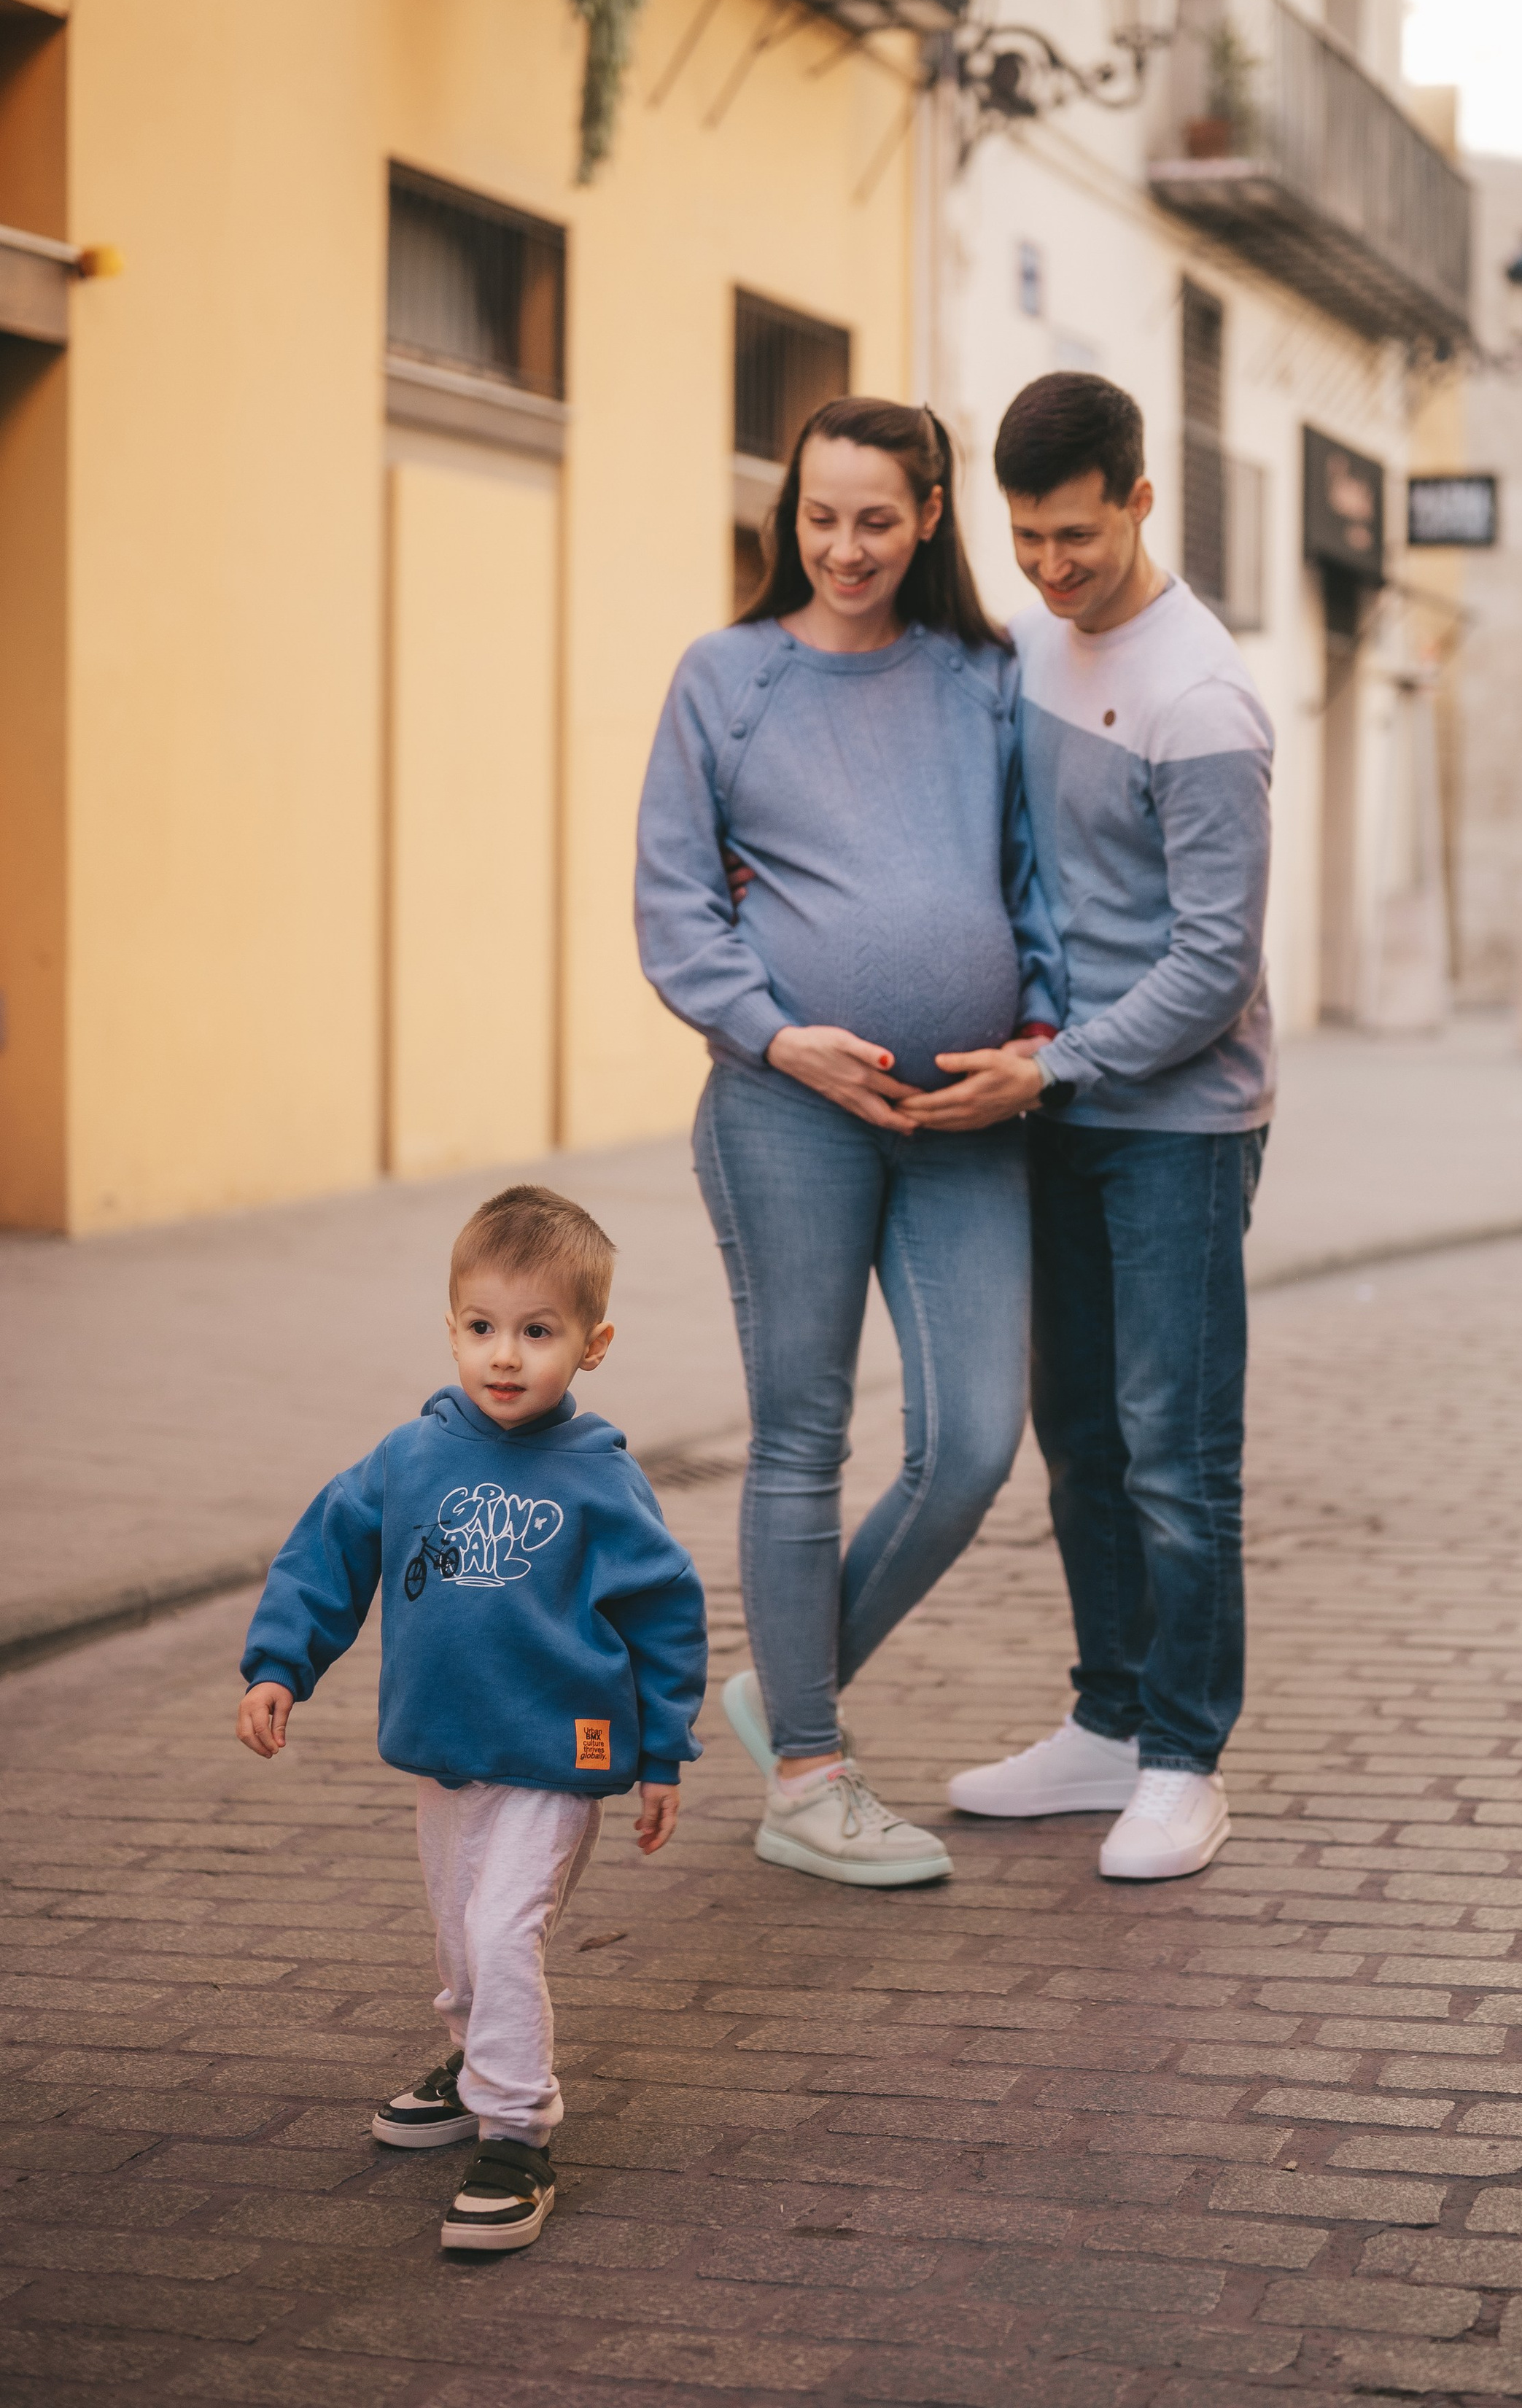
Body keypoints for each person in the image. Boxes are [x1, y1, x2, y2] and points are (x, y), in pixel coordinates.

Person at [634, 395, 1063, 1889]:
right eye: (817, 517)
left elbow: (1036, 880)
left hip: (959, 1121)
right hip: (784, 1113)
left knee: (966, 1450)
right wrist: (773, 1033)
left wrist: (1036, 1042)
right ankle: (806, 1775)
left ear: (929, 516)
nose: (843, 547)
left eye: (875, 518)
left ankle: (783, 1689)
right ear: (786, 515)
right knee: (800, 1438)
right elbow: (675, 903)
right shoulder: (725, 677)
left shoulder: (982, 681)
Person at [893, 373, 1274, 1883]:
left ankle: (1185, 1759)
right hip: (1055, 1103)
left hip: (1173, 1123)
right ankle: (1108, 1721)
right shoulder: (1041, 650)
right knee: (1079, 1441)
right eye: (1024, 540)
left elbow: (1212, 965)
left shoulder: (1201, 698)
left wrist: (1049, 1072)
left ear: (1138, 497)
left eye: (1073, 537)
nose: (1049, 569)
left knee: (1176, 1454)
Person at [236, 1185, 707, 2253]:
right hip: (447, 1755)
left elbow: (667, 1614)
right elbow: (326, 1558)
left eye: (538, 1333)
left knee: (503, 1931)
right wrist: (279, 1667)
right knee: (461, 1937)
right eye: (484, 1328)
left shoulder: (601, 1480)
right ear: (450, 1329)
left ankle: (518, 2133)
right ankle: (472, 2063)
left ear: (592, 1345)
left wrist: (664, 1751)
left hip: (557, 1754)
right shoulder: (408, 1459)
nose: (507, 1357)